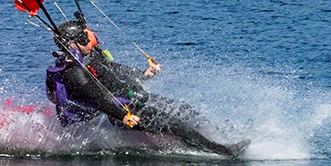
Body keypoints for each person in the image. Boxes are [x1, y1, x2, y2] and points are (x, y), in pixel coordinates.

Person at [45, 21, 249, 157]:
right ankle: (221, 151)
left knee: (182, 107)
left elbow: (113, 69)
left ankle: (221, 132)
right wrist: (123, 116)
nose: (87, 41)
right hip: (119, 111)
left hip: (122, 101)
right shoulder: (74, 71)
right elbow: (97, 98)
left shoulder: (88, 58)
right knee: (174, 124)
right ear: (71, 44)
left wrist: (142, 74)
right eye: (82, 39)